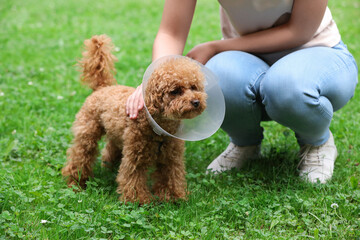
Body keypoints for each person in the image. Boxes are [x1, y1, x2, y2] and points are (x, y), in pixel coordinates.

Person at [126, 0, 358, 183]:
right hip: (247, 55)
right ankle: (245, 144)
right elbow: (171, 32)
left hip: (318, 50)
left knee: (286, 85)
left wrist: (216, 46)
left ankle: (317, 142)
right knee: (219, 75)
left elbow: (299, 31)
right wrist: (153, 79)